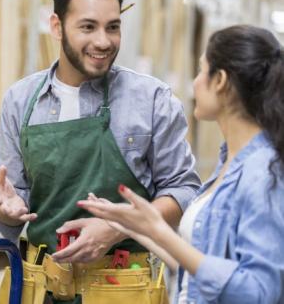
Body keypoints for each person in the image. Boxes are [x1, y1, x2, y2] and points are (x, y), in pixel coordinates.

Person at [0, 0, 201, 303]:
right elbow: (11, 207)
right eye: (88, 27)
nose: (103, 41)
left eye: (113, 27)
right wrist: (5, 210)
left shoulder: (151, 99)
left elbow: (184, 190)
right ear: (56, 26)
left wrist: (120, 228)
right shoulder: (20, 99)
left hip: (123, 288)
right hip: (37, 287)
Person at [78, 24, 284, 304]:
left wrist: (163, 232)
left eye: (201, 70)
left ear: (220, 80)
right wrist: (132, 225)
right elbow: (198, 278)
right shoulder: (229, 162)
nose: (195, 82)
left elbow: (259, 292)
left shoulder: (262, 172)